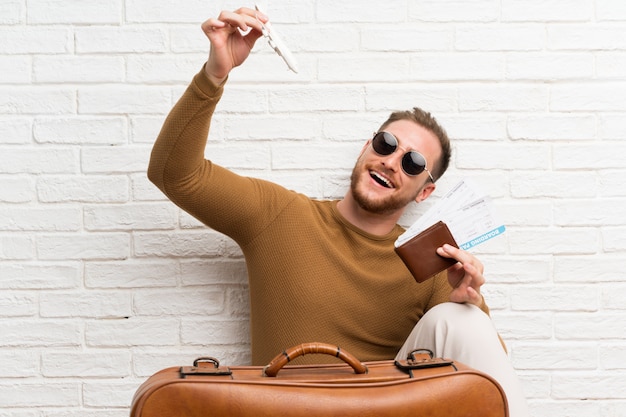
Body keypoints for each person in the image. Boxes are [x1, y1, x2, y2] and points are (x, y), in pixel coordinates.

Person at [147, 6, 529, 416]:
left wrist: (469, 301)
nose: (391, 161)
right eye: (386, 144)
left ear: (425, 191)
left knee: (462, 320)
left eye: (413, 163)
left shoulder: (430, 260)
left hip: (383, 409)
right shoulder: (280, 216)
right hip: (285, 408)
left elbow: (488, 387)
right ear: (367, 146)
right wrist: (215, 74)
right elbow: (175, 174)